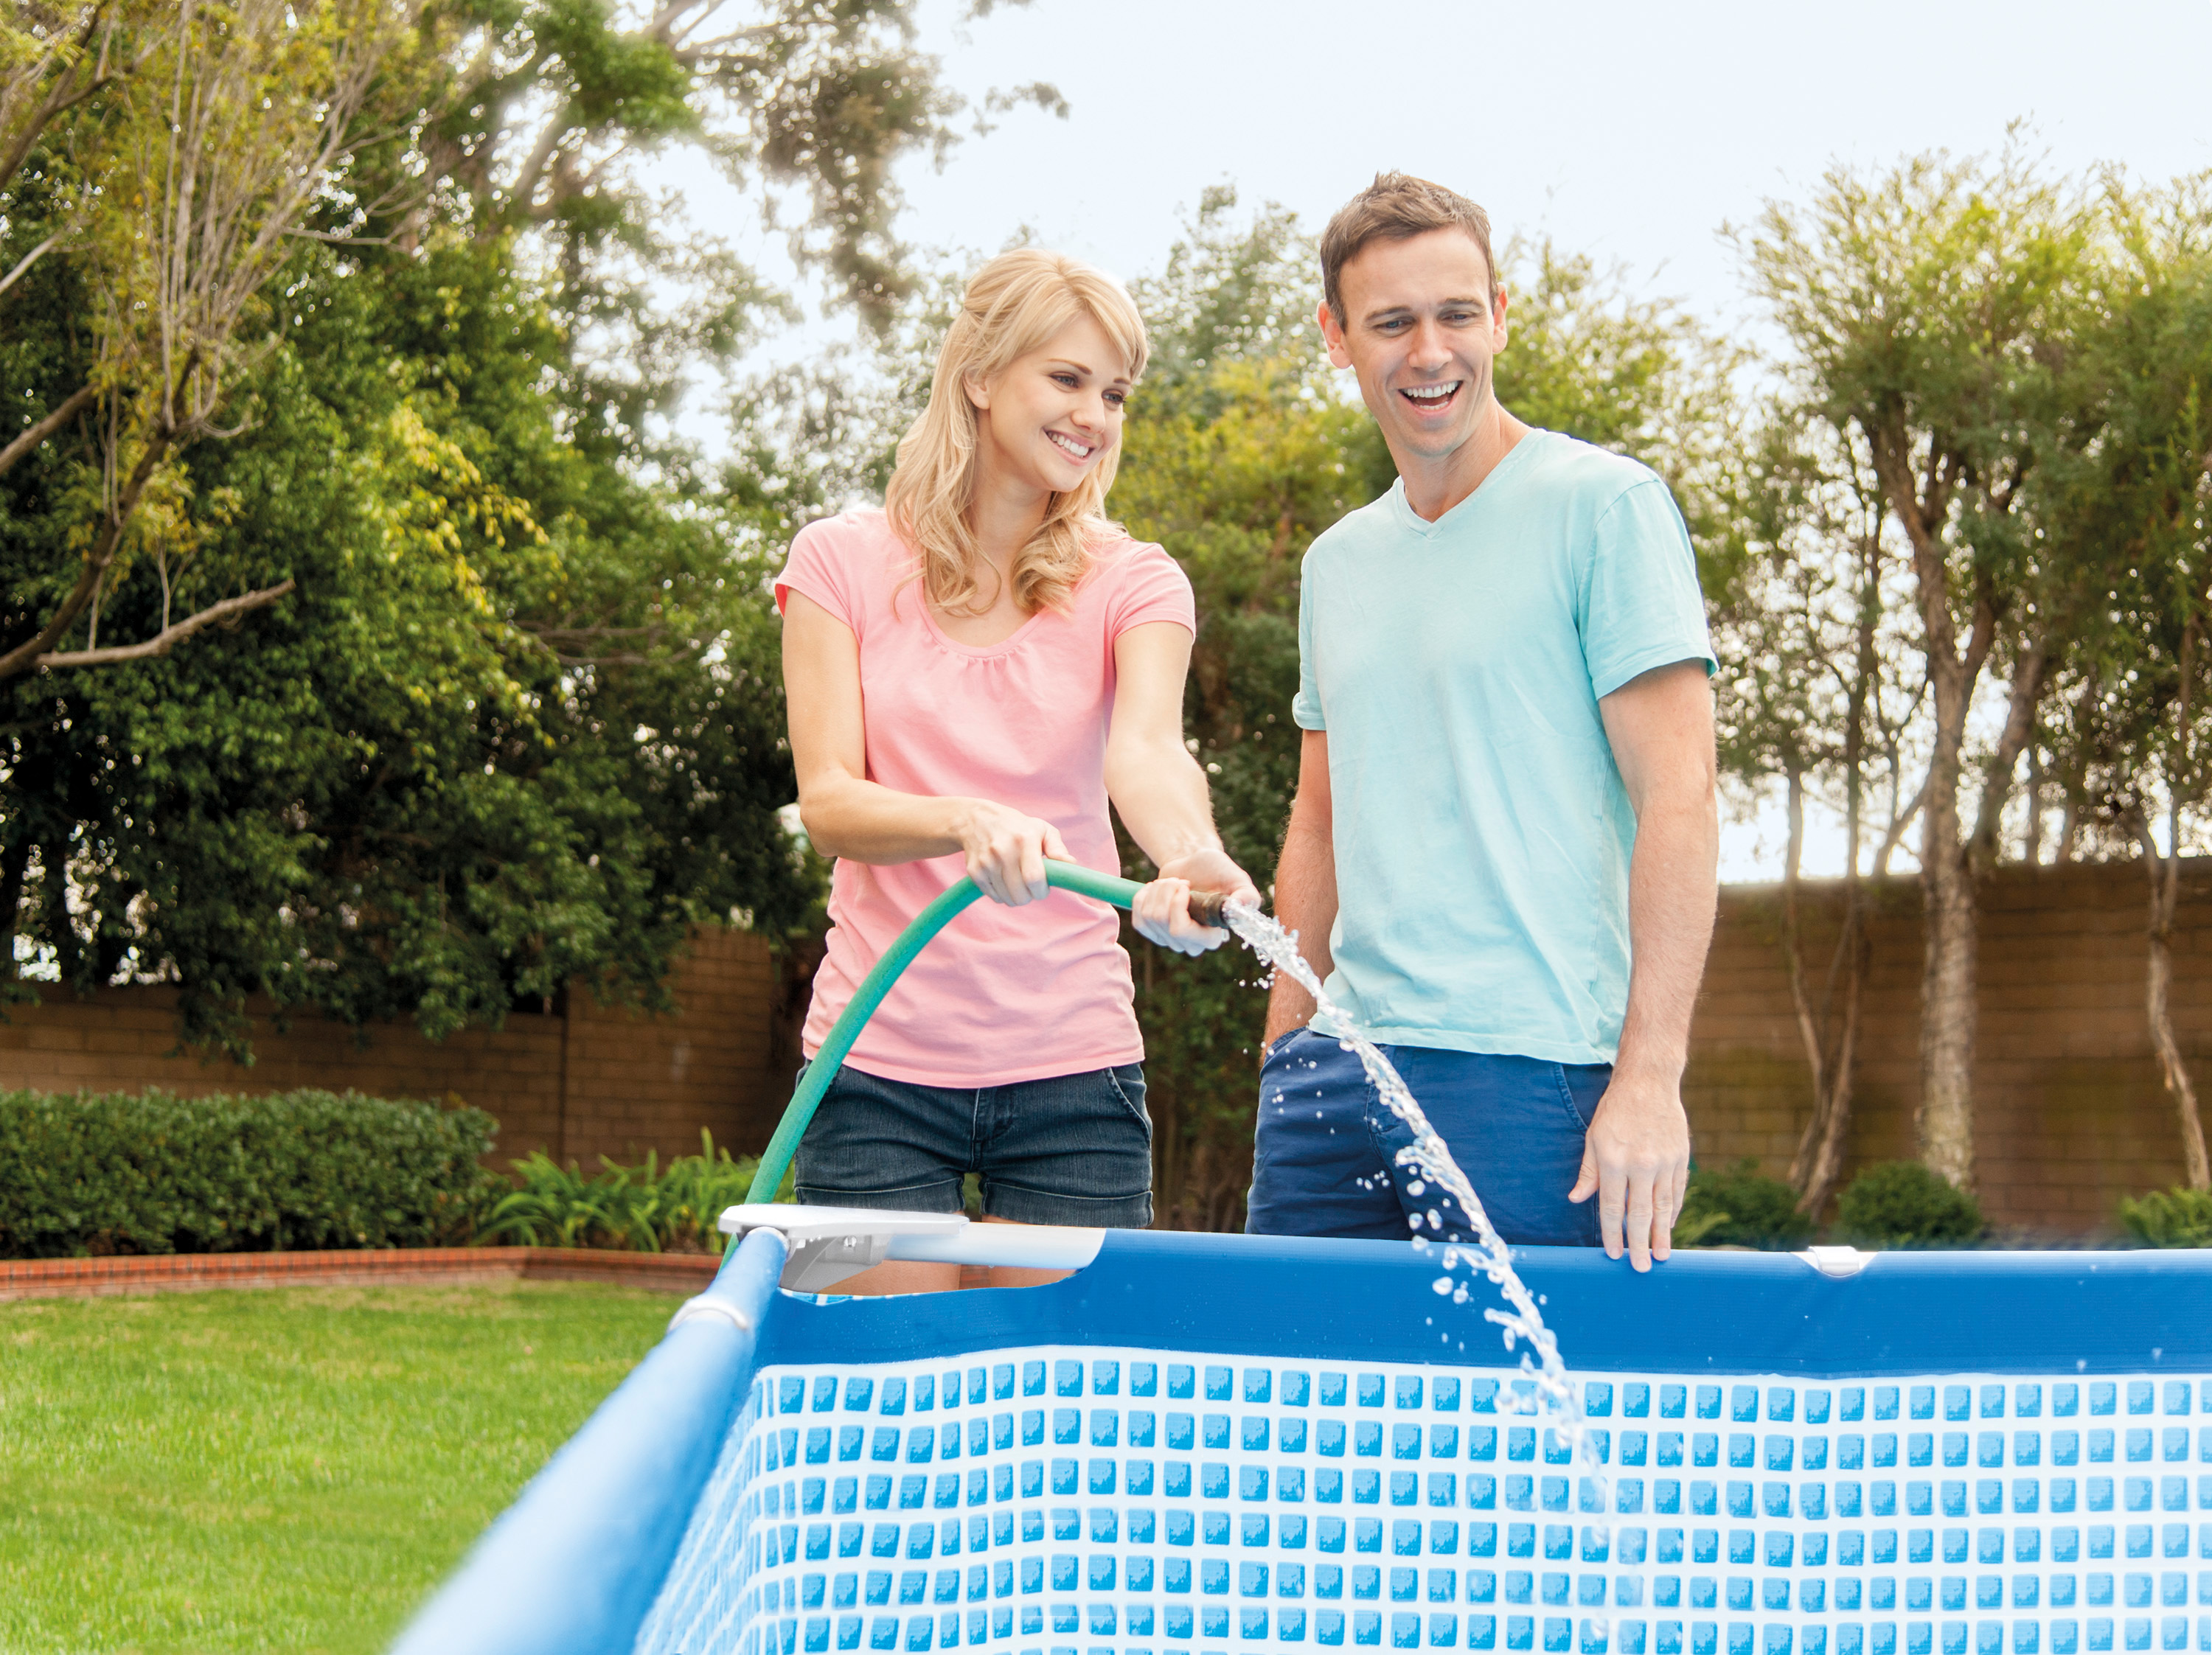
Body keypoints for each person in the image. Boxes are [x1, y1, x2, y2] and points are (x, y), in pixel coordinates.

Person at [1248, 174, 1718, 1272]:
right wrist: (1285, 1049)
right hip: (1334, 1076)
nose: (1431, 351)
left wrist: (1650, 1076)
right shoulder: (1336, 563)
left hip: (1532, 1076)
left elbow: (1681, 797)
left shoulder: (1605, 507)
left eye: (1457, 312)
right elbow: (1318, 820)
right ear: (1336, 337)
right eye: (1391, 322)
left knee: (1531, 1395)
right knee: (1297, 1387)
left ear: (1499, 315)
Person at [776, 248, 1258, 1292]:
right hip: (872, 1068)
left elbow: (1148, 752)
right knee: (884, 1385)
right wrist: (965, 819)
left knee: (1060, 1393)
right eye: (1068, 379)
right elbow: (830, 802)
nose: (1095, 416)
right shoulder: (837, 561)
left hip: (1074, 1077)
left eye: (1115, 393)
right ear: (983, 375)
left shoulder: (1136, 582)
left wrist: (1192, 857)